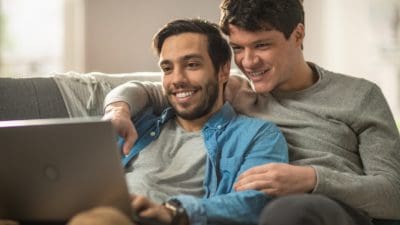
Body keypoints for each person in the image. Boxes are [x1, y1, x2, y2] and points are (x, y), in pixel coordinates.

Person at [102, 1, 400, 225]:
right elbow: (151, 88)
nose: (248, 61)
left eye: (261, 45)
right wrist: (118, 109)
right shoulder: (234, 90)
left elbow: (394, 194)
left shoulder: (360, 95)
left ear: (298, 35)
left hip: (326, 208)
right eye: (238, 48)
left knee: (288, 210)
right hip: (257, 207)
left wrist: (311, 178)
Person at [70, 18, 288, 225]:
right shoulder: (139, 123)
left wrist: (174, 212)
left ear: (223, 70)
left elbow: (256, 203)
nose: (177, 80)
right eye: (167, 69)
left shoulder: (257, 135)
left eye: (192, 65)